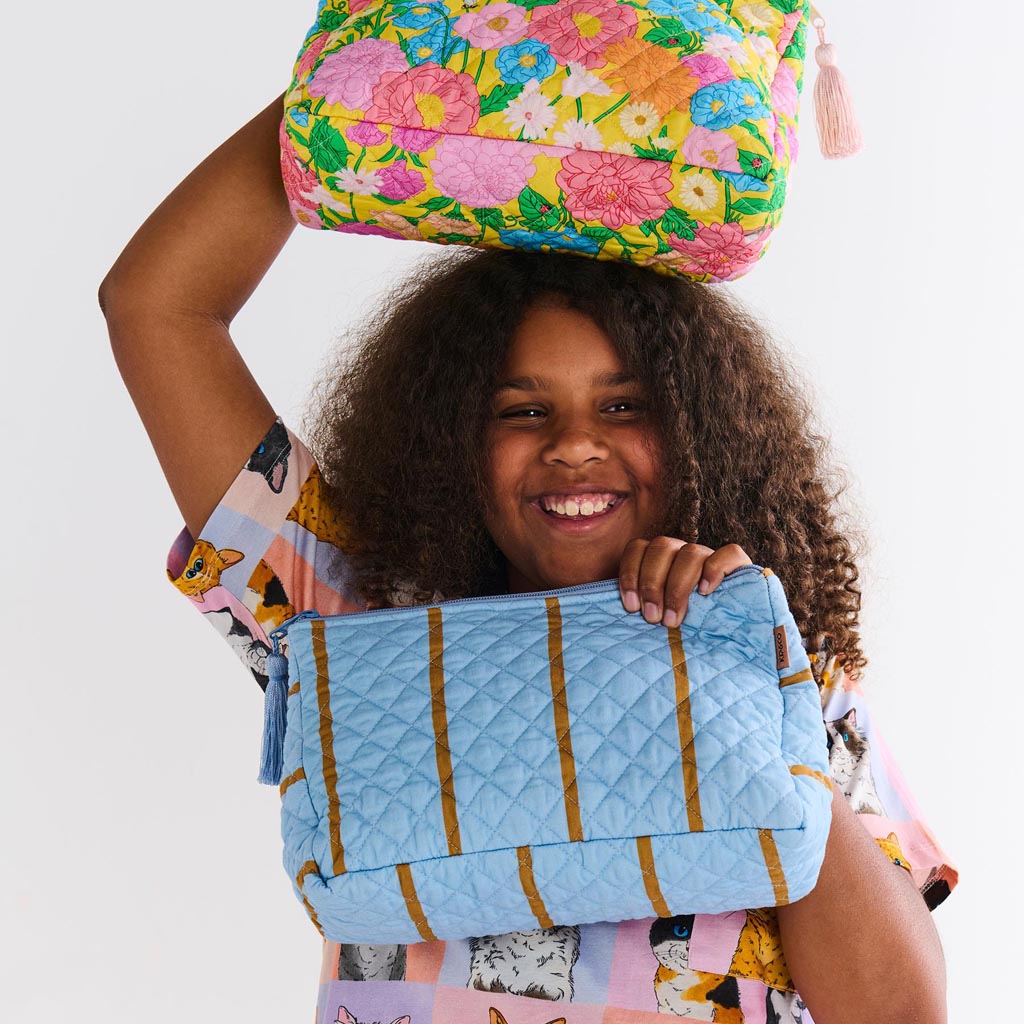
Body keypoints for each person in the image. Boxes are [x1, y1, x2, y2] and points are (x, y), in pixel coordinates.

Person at [99, 92, 958, 1024]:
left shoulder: (777, 664)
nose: (576, 444)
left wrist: (751, 692)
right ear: (450, 442)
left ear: (700, 432)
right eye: (523, 410)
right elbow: (157, 309)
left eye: (625, 406)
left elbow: (902, 1014)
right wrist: (364, 79)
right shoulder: (359, 629)